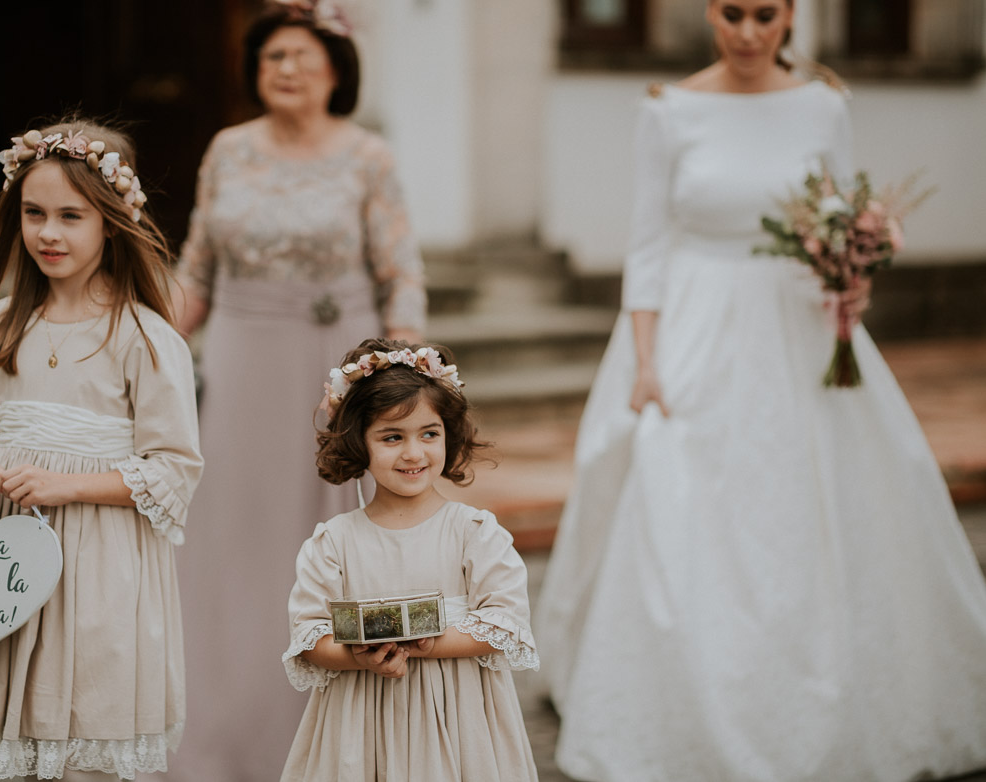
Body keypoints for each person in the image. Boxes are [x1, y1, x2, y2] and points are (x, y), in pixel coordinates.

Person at [535, 1, 986, 781]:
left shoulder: (824, 102)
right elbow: (647, 244)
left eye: (765, 13)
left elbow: (837, 216)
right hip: (692, 324)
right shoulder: (667, 110)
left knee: (829, 499)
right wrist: (645, 362)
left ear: (789, 16)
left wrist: (853, 285)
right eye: (731, 12)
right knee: (681, 500)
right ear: (709, 13)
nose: (747, 32)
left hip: (800, 325)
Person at [0, 119, 204, 780]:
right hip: (7, 556)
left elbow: (174, 470)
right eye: (34, 214)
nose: (49, 233)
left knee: (82, 735)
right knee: (18, 734)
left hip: (98, 564)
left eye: (71, 215)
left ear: (111, 221)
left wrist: (68, 486)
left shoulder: (144, 337)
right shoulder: (3, 322)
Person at [167, 1, 426, 778]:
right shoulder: (227, 149)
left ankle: (338, 737)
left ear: (335, 70)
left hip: (335, 373)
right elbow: (197, 272)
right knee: (236, 542)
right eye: (272, 57)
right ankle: (228, 734)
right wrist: (141, 344)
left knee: (331, 544)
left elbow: (398, 270)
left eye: (301, 57)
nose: (285, 69)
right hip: (245, 366)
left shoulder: (367, 155)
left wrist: (404, 371)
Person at [278, 337, 539, 780]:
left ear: (448, 435)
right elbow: (310, 636)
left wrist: (431, 643)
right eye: (392, 437)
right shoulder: (334, 541)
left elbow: (506, 622)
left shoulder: (474, 532)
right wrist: (357, 657)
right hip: (362, 722)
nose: (413, 453)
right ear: (359, 442)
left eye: (429, 434)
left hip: (460, 719)